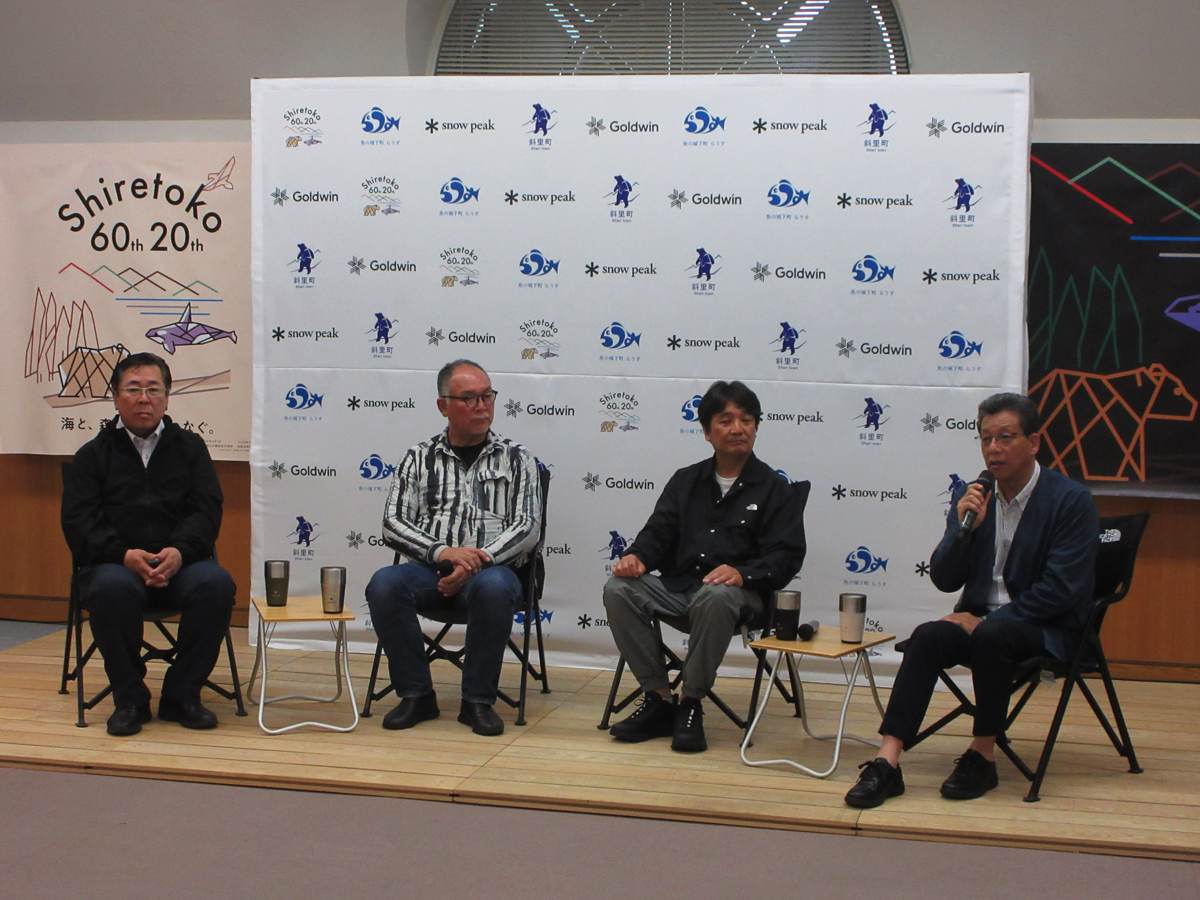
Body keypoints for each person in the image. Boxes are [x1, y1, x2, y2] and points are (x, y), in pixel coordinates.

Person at [845, 393, 1099, 808]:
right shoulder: (975, 496)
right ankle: (887, 761)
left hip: (1046, 628)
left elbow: (1062, 589)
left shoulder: (1070, 501)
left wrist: (989, 622)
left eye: (1005, 437)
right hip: (981, 623)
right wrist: (964, 532)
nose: (994, 448)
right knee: (928, 636)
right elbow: (945, 578)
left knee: (991, 635)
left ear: (1033, 443)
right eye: (985, 439)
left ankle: (982, 755)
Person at [603, 381, 806, 752]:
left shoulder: (775, 489)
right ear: (707, 432)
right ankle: (659, 699)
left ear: (756, 427)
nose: (738, 429)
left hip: (741, 597)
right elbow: (658, 533)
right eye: (726, 421)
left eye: (747, 420)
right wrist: (637, 556)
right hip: (681, 589)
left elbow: (786, 555)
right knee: (618, 589)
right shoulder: (686, 480)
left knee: (716, 595)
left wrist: (743, 574)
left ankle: (691, 703)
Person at [61, 352, 235, 736]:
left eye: (153, 389)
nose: (144, 398)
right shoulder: (92, 455)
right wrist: (122, 554)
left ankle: (182, 695)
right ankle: (130, 699)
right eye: (133, 389)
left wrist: (180, 551)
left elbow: (207, 510)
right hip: (116, 566)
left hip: (181, 565)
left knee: (216, 584)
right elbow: (79, 522)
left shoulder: (190, 448)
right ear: (115, 397)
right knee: (109, 588)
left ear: (167, 397)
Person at [365, 360, 541, 737]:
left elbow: (527, 527)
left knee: (494, 586)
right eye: (470, 398)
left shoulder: (518, 458)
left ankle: (477, 701)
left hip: (494, 573)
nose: (482, 406)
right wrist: (444, 553)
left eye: (487, 396)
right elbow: (392, 523)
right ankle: (416, 695)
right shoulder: (418, 457)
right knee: (384, 584)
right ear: (443, 406)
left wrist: (478, 561)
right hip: (431, 572)